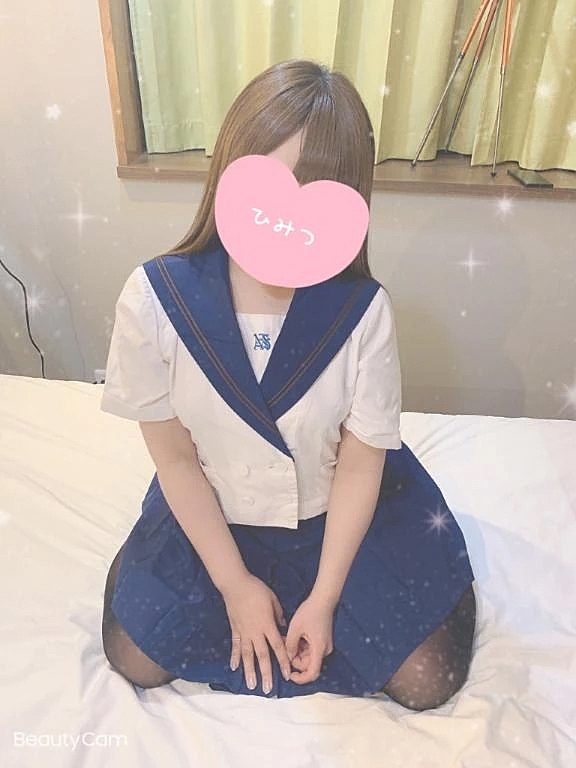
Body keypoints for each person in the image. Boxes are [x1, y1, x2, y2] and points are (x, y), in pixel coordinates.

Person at [100, 59, 476, 708]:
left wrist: (325, 598)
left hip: (340, 508)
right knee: (133, 656)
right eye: (265, 195)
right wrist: (234, 586)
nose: (284, 224)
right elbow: (176, 461)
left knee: (427, 680)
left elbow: (359, 466)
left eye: (312, 201)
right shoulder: (154, 300)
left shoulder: (363, 310)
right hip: (216, 505)